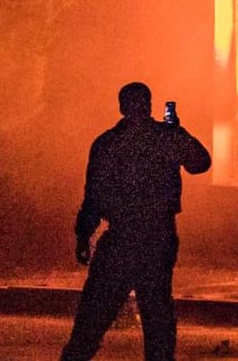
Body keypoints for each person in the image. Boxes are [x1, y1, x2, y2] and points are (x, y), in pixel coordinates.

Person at [60, 81, 211, 361]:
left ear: (122, 108)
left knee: (94, 316)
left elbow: (94, 196)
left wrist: (84, 235)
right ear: (149, 105)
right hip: (157, 237)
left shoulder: (108, 143)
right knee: (157, 318)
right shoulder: (165, 138)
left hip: (123, 237)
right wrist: (177, 132)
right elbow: (200, 163)